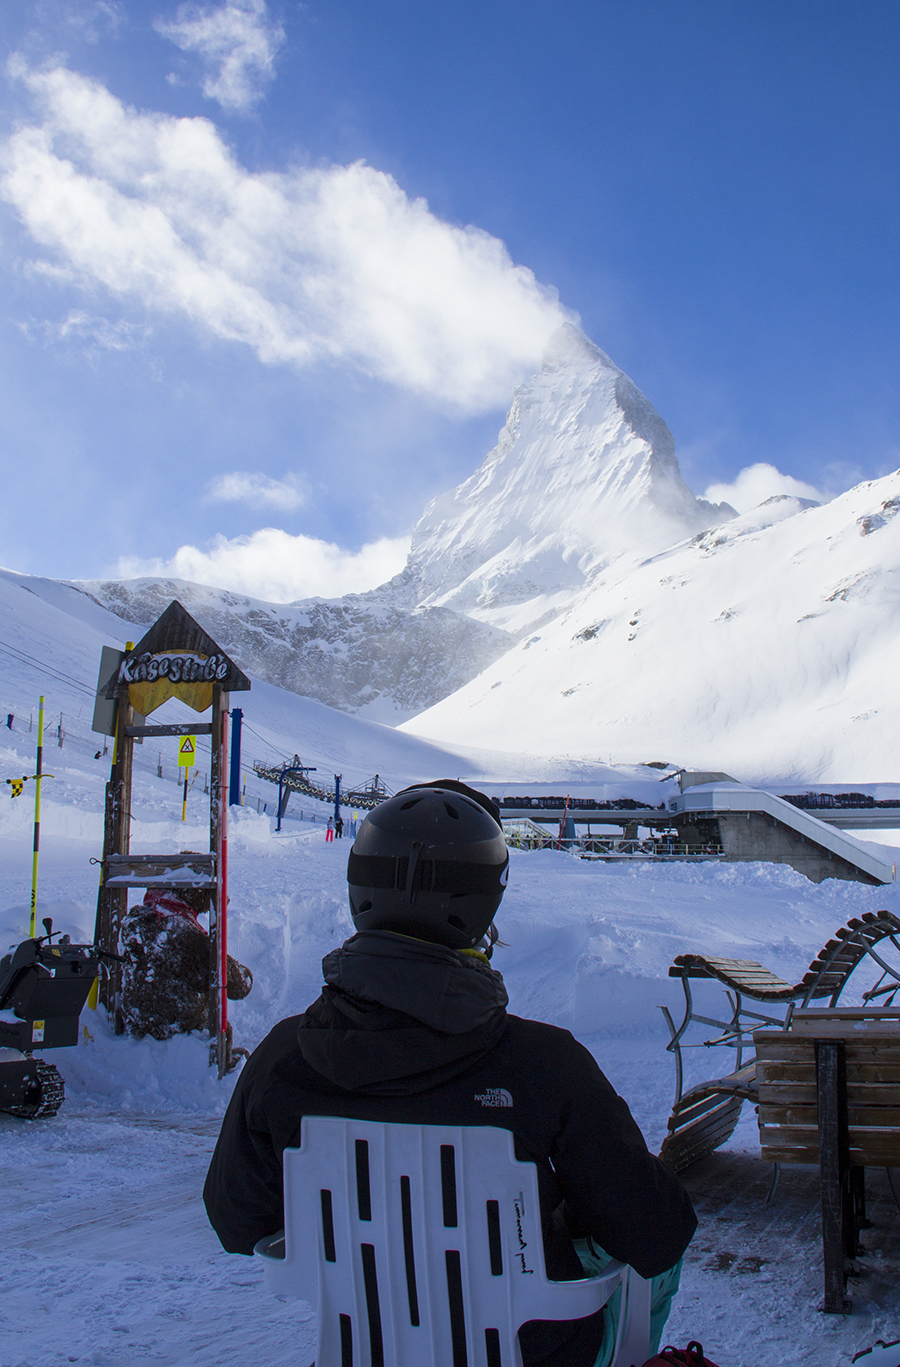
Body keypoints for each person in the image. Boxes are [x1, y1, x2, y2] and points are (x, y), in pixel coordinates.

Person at [204, 780, 696, 1367]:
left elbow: (236, 1223)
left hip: (370, 1351)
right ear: (484, 905)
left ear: (359, 889)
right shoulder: (544, 1065)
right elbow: (656, 1232)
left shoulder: (285, 1057)